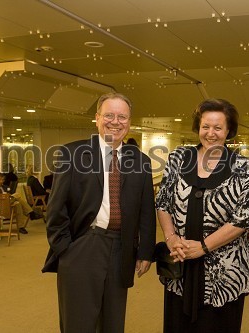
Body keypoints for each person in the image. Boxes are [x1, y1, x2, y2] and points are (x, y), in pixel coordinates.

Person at [42, 92, 156, 333]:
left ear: (130, 121)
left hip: (121, 249)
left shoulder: (141, 161)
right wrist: (65, 250)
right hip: (83, 245)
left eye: (122, 116)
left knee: (113, 323)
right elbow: (56, 208)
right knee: (78, 323)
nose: (115, 121)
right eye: (109, 115)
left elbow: (146, 211)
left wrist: (145, 251)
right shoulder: (72, 153)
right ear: (97, 118)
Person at [155, 98, 249, 333]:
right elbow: (163, 203)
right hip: (180, 267)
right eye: (205, 126)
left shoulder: (243, 167)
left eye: (218, 127)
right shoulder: (178, 158)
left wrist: (202, 247)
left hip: (224, 274)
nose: (210, 133)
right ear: (198, 127)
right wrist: (171, 239)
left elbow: (243, 218)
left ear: (229, 130)